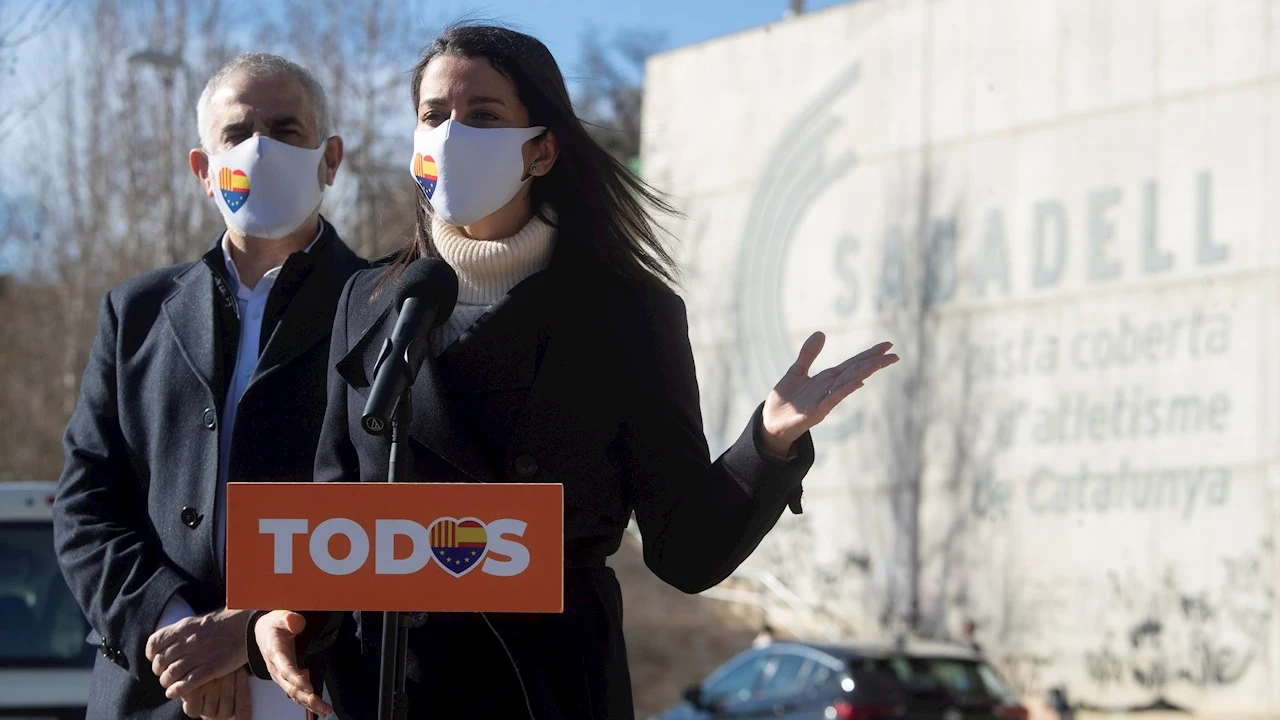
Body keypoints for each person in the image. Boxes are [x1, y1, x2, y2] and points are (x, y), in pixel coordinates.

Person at [249, 24, 898, 719]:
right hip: (388, 688)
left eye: (483, 117)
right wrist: (284, 615)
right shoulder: (369, 298)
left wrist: (767, 445)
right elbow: (337, 509)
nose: (450, 136)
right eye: (433, 116)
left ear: (542, 149)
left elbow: (687, 550)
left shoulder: (628, 314)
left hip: (545, 691)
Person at [53, 53, 366, 719]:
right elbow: (85, 507)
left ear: (330, 159)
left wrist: (246, 633)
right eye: (238, 133)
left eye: (287, 130)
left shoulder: (387, 308)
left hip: (324, 686)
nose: (261, 149)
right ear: (203, 168)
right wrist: (176, 631)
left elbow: (391, 510)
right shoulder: (134, 313)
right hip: (156, 690)